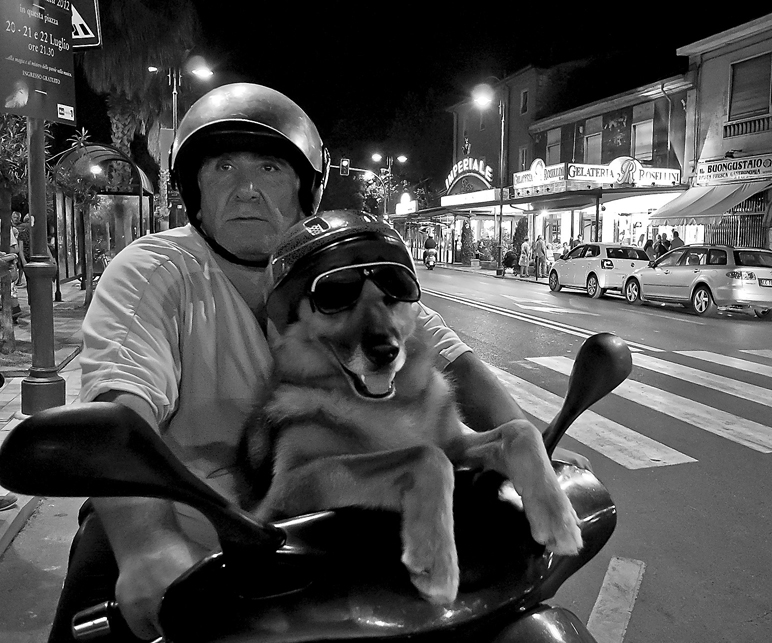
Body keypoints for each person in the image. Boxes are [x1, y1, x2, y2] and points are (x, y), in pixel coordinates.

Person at [50, 83, 586, 643]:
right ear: (195, 192)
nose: (247, 190)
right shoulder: (157, 272)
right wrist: (147, 544)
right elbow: (121, 404)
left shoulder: (342, 266)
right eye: (223, 167)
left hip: (338, 547)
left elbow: (455, 362)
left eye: (270, 168)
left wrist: (539, 457)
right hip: (195, 551)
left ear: (305, 189)